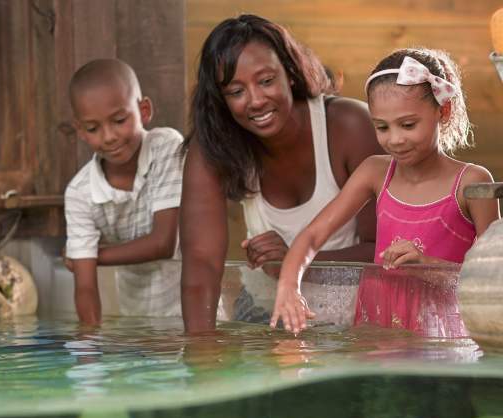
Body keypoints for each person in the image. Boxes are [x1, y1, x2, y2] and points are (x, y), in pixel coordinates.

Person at [272, 47, 501, 334]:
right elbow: (312, 235)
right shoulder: (375, 172)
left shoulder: (472, 183)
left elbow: (492, 281)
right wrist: (289, 284)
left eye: (408, 125)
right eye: (381, 127)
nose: (395, 139)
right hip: (376, 327)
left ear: (444, 111)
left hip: (443, 334)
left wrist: (427, 265)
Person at [180, 14, 383, 332]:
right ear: (221, 100)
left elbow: (383, 251)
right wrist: (200, 358)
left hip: (352, 319)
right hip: (264, 315)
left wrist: (294, 261)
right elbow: (201, 267)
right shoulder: (212, 147)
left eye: (265, 80)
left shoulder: (349, 126)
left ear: (289, 72)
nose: (256, 100)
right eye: (236, 91)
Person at [64, 58, 184, 324]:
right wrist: (88, 356)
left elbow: (164, 243)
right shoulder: (79, 193)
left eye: (119, 120)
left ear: (144, 110)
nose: (108, 136)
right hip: (138, 325)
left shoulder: (166, 147)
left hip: (194, 315)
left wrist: (89, 256)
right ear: (80, 131)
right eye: (93, 128)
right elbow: (85, 290)